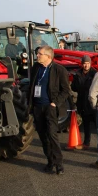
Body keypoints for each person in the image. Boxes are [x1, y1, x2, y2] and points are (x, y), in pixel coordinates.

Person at [28, 45, 70, 174]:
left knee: (52, 135)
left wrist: (55, 103)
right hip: (37, 107)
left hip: (49, 108)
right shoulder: (36, 68)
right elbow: (32, 86)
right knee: (43, 136)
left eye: (40, 54)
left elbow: (65, 90)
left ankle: (59, 164)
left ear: (48, 56)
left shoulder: (59, 70)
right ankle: (50, 161)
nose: (37, 55)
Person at [71, 55, 97, 149]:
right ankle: (86, 143)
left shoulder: (95, 74)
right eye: (84, 63)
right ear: (82, 64)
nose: (86, 65)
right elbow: (73, 87)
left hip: (92, 102)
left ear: (90, 64)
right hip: (82, 101)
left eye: (88, 63)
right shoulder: (77, 74)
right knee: (86, 124)